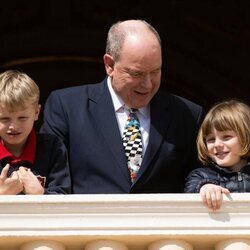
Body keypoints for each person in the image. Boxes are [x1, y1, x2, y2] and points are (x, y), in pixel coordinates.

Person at [40, 19, 204, 194]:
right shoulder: (67, 107)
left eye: (155, 71)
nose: (148, 85)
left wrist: (205, 184)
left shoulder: (186, 114)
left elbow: (201, 175)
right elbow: (49, 178)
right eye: (136, 73)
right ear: (110, 65)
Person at [0, 70, 71, 195]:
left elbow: (62, 197)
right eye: (4, 119)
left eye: (22, 118)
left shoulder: (52, 147)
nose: (13, 126)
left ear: (37, 113)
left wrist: (40, 194)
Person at [185, 99, 250, 211]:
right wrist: (205, 188)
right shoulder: (202, 175)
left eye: (227, 137)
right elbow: (192, 187)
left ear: (247, 135)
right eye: (211, 139)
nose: (217, 144)